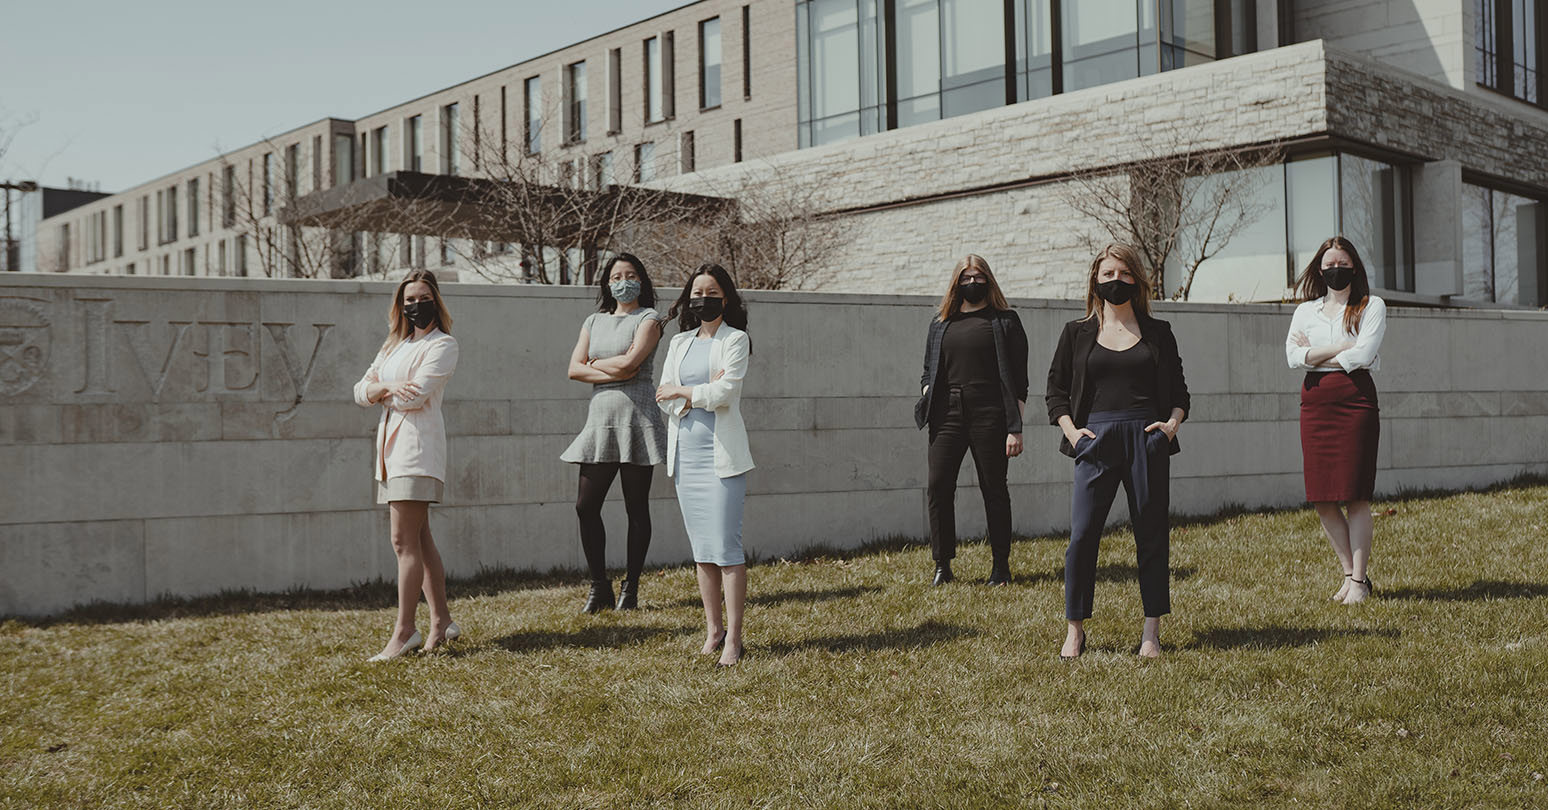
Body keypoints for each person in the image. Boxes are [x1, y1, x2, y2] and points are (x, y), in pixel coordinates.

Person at [1045, 244, 1189, 660]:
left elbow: (1180, 392)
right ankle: (1075, 629)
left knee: (1151, 534)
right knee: (1083, 535)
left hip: (1146, 437)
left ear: (1137, 280)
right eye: (1108, 273)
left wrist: (1170, 427)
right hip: (1095, 439)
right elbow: (1055, 392)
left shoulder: (1158, 332)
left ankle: (1151, 631)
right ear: (1095, 279)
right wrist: (1074, 435)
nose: (1116, 281)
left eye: (1125, 274)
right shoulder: (1077, 333)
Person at [352, 270, 461, 660]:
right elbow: (360, 392)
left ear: (436, 300)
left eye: (423, 297)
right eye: (409, 300)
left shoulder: (443, 345)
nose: (416, 305)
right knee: (419, 538)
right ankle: (442, 621)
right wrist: (386, 388)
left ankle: (404, 631)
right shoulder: (392, 346)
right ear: (400, 306)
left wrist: (386, 391)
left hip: (417, 451)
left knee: (402, 542)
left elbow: (414, 398)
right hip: (390, 454)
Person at [655, 263, 754, 667]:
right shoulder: (679, 342)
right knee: (702, 551)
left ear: (725, 297)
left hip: (721, 457)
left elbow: (727, 392)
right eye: (697, 292)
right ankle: (713, 630)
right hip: (686, 457)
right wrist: (698, 391)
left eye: (711, 292)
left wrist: (686, 390)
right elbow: (664, 393)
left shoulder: (736, 339)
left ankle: (735, 636)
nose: (703, 299)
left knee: (726, 548)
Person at [561, 253, 668, 613]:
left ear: (642, 280)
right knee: (585, 507)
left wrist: (596, 365)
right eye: (617, 275)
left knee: (636, 507)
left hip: (637, 419)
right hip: (600, 421)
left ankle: (631, 588)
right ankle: (599, 586)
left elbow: (631, 365)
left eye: (632, 274)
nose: (624, 280)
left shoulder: (649, 319)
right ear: (608, 282)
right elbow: (574, 370)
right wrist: (610, 368)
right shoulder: (593, 320)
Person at [914, 254, 1028, 587]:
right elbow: (927, 369)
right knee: (938, 486)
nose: (972, 283)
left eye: (978, 277)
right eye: (965, 278)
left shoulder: (1005, 321)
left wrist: (1014, 427)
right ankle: (942, 565)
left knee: (994, 488)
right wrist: (928, 389)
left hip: (990, 412)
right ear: (956, 283)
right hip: (946, 413)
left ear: (988, 280)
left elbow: (1019, 381)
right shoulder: (940, 322)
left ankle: (1000, 567)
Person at [1286, 236, 1387, 605]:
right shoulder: (1305, 311)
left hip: (1355, 400)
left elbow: (1365, 354)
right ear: (1319, 269)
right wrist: (1343, 348)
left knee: (1356, 494)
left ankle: (1359, 581)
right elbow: (1293, 357)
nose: (1335, 269)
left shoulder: (1371, 305)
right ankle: (1348, 574)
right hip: (1315, 404)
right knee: (1322, 496)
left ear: (1355, 267)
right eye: (1328, 264)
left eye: (1342, 263)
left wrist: (1317, 355)